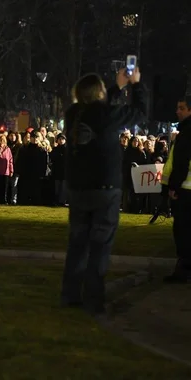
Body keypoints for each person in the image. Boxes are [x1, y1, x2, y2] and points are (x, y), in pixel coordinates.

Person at [60, 68, 146, 316]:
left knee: (77, 244)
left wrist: (115, 88)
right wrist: (136, 85)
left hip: (77, 188)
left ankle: (70, 294)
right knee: (99, 245)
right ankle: (94, 299)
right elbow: (139, 112)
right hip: (104, 189)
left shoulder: (74, 113)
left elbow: (93, 105)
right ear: (99, 93)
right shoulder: (107, 115)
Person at [161, 96, 191, 283]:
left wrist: (173, 187)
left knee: (183, 232)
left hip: (185, 190)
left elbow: (180, 162)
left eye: (181, 108)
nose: (177, 111)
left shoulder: (186, 132)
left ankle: (183, 271)